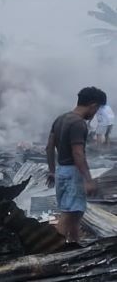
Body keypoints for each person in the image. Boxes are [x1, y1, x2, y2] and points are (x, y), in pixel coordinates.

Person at [46, 86, 106, 243]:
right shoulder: (78, 123)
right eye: (97, 109)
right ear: (93, 105)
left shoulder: (60, 119)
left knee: (75, 212)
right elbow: (78, 154)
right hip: (73, 173)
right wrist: (88, 180)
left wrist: (52, 171)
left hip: (61, 171)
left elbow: (49, 147)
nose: (95, 114)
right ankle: (52, 249)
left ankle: (74, 243)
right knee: (68, 216)